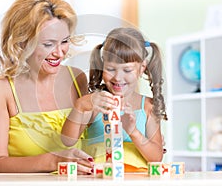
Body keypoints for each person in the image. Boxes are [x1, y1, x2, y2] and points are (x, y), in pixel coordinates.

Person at [0, 0, 94, 174]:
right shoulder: (0, 85)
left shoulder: (77, 78)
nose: (59, 52)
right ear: (23, 42)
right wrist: (54, 161)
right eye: (48, 44)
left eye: (64, 41)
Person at [61, 27, 168, 172]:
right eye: (110, 69)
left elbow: (156, 157)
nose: (117, 77)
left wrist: (133, 131)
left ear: (142, 67)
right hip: (97, 179)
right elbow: (67, 140)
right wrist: (80, 106)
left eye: (127, 70)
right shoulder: (93, 103)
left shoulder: (148, 106)